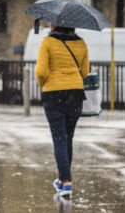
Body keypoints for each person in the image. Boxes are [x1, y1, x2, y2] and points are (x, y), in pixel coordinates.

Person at [35, 23, 89, 197]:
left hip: (54, 95)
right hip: (75, 94)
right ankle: (62, 180)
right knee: (68, 139)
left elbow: (41, 71)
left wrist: (44, 83)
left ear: (55, 23)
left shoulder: (48, 42)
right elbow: (85, 71)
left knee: (59, 139)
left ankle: (66, 182)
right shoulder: (81, 43)